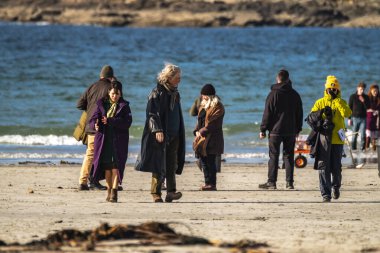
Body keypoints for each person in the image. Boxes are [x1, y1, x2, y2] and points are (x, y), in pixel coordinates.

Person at [135, 63, 186, 203]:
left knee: (171, 164)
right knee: (158, 163)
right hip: (161, 134)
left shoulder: (175, 92)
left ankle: (171, 192)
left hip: (174, 133)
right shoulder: (157, 92)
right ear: (169, 77)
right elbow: (151, 113)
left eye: (180, 77)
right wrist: (157, 129)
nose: (179, 79)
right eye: (177, 77)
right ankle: (156, 193)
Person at [259, 69, 303, 190]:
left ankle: (272, 182)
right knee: (289, 156)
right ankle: (289, 183)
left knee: (273, 156)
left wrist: (263, 129)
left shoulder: (273, 94)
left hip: (275, 131)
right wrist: (298, 128)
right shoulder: (295, 94)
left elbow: (267, 113)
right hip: (290, 130)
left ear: (278, 79)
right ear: (288, 79)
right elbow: (299, 113)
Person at [311, 75, 351, 202]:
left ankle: (336, 186)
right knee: (324, 167)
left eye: (335, 89)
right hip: (324, 140)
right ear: (326, 89)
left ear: (338, 90)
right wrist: (322, 113)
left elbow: (347, 114)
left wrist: (337, 102)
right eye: (330, 89)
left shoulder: (342, 102)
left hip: (337, 140)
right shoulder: (320, 102)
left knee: (336, 168)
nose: (332, 91)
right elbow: (312, 118)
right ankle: (325, 194)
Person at [90, 81, 132, 202]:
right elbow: (93, 119)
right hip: (104, 140)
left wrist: (111, 121)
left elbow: (127, 123)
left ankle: (114, 192)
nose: (115, 96)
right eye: (113, 93)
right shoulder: (101, 104)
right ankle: (109, 191)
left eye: (117, 94)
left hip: (119, 141)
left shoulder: (124, 106)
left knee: (116, 168)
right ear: (108, 92)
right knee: (107, 168)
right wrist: (95, 125)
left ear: (120, 94)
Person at [76, 65, 115, 191]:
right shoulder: (111, 88)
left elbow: (80, 104)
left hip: (90, 125)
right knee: (99, 154)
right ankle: (93, 181)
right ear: (111, 77)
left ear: (101, 76)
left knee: (91, 153)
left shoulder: (92, 86)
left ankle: (84, 181)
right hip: (101, 125)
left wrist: (91, 107)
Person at [193, 84, 225, 191]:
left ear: (209, 95)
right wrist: (196, 131)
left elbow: (213, 124)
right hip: (202, 138)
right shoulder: (203, 105)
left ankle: (212, 184)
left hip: (212, 139)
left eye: (204, 95)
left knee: (210, 161)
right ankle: (207, 183)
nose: (202, 97)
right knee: (203, 161)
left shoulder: (218, 107)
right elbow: (199, 120)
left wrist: (201, 132)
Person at [190, 95, 222, 173]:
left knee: (206, 154)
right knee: (212, 156)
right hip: (209, 133)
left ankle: (209, 177)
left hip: (205, 132)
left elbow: (192, 113)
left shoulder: (199, 99)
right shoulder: (217, 101)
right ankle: (211, 175)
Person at [348, 82, 370, 151]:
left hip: (363, 118)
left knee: (363, 135)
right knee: (354, 135)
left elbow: (368, 108)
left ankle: (362, 149)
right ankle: (353, 149)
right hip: (354, 118)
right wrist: (349, 118)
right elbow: (349, 108)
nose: (362, 91)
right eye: (361, 89)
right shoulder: (353, 96)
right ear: (357, 88)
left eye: (363, 89)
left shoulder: (366, 97)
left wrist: (364, 101)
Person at [365, 84, 380, 151]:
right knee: (368, 136)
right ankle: (366, 150)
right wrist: (370, 110)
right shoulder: (367, 98)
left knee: (375, 137)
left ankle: (374, 152)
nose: (375, 92)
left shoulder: (379, 99)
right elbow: (364, 108)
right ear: (371, 91)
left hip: (377, 119)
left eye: (376, 91)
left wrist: (377, 111)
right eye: (374, 91)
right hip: (369, 119)